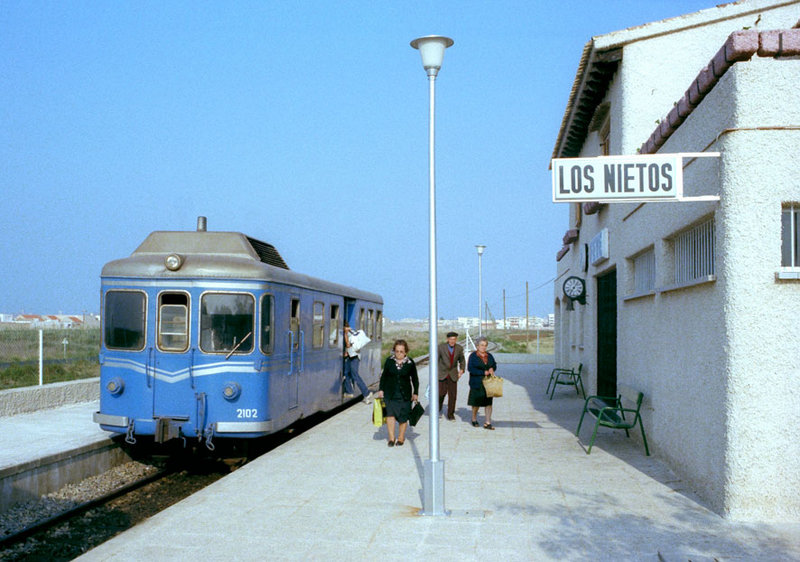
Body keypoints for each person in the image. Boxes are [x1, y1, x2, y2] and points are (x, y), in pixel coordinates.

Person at [377, 339, 419, 447]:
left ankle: (401, 437)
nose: (399, 354)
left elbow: (415, 379)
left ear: (405, 352)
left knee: (403, 417)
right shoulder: (389, 361)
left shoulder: (410, 363)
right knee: (390, 415)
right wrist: (381, 390)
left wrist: (416, 393)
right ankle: (391, 438)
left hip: (404, 395)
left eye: (401, 351)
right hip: (390, 394)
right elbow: (384, 377)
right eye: (396, 351)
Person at [467, 336, 497, 430]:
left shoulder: (489, 356)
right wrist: (482, 372)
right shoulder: (473, 356)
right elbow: (470, 369)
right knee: (476, 403)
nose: (483, 347)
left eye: (485, 345)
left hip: (488, 382)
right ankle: (474, 418)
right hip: (477, 382)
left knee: (488, 402)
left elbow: (494, 364)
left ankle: (487, 422)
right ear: (477, 346)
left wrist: (492, 368)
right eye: (481, 345)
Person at [437, 331, 465, 421]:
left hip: (453, 374)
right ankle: (438, 408)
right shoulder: (441, 347)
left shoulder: (459, 348)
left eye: (454, 339)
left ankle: (450, 414)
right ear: (447, 339)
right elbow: (436, 360)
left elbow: (462, 360)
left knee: (453, 395)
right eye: (451, 339)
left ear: (456, 339)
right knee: (441, 394)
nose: (452, 341)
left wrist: (461, 370)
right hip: (442, 374)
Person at [343, 321, 373, 404]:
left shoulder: (350, 334)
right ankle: (349, 392)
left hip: (354, 357)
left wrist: (345, 334)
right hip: (350, 356)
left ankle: (366, 393)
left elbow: (348, 345)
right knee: (346, 373)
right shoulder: (352, 332)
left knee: (355, 375)